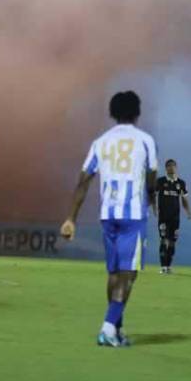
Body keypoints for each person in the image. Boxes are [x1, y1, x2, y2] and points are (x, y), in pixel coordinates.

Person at [60, 90, 158, 348]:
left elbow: (83, 180)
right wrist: (152, 199)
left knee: (115, 274)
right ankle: (107, 327)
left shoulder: (100, 142)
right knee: (129, 274)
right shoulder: (145, 140)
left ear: (112, 113)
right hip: (133, 215)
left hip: (108, 215)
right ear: (137, 112)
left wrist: (71, 218)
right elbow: (151, 177)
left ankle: (117, 328)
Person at [155, 159, 191, 274]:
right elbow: (152, 195)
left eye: (173, 166)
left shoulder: (181, 183)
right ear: (166, 168)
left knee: (172, 241)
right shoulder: (160, 181)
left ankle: (168, 266)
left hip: (175, 218)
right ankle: (163, 267)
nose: (171, 168)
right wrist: (153, 207)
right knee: (163, 240)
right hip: (163, 217)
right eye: (169, 166)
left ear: (176, 167)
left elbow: (184, 199)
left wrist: (188, 211)